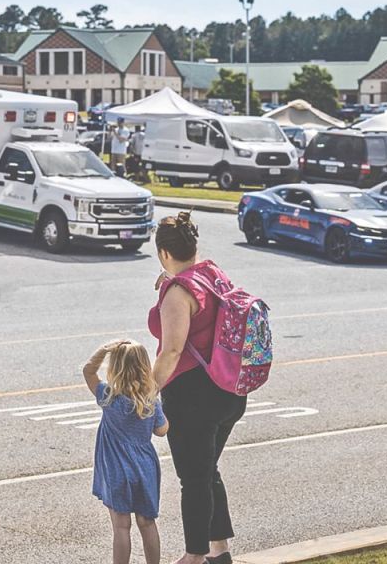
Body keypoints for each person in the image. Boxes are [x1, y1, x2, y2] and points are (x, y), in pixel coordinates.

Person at [148, 212, 247, 564]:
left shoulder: (179, 292)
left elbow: (172, 350)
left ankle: (193, 555)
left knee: (193, 478)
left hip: (194, 398)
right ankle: (219, 552)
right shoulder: (211, 273)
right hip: (230, 391)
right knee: (207, 471)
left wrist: (147, 393)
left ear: (163, 253)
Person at [83, 340, 169, 564]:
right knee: (147, 523)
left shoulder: (108, 396)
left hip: (116, 470)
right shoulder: (150, 401)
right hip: (145, 469)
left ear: (115, 367)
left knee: (121, 527)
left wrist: (103, 349)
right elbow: (162, 430)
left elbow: (88, 371)